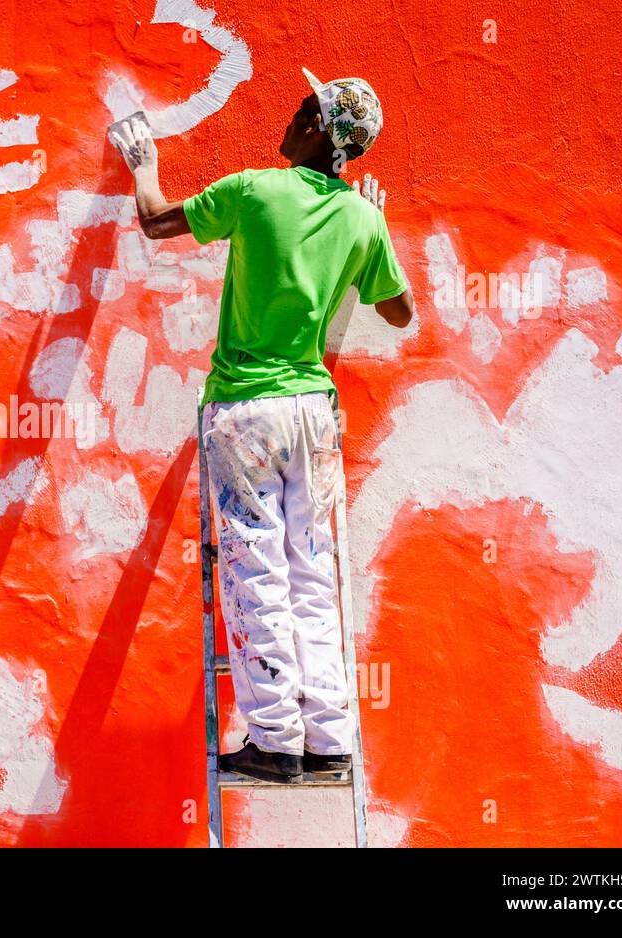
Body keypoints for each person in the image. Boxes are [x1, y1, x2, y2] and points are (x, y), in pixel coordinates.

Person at [112, 68, 414, 782]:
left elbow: (156, 220)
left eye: (303, 106)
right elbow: (400, 313)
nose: (291, 113)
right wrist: (371, 236)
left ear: (319, 130)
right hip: (313, 413)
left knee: (256, 569)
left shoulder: (254, 190)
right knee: (312, 569)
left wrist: (144, 162)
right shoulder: (360, 218)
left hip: (247, 411)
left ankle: (276, 740)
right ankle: (331, 737)